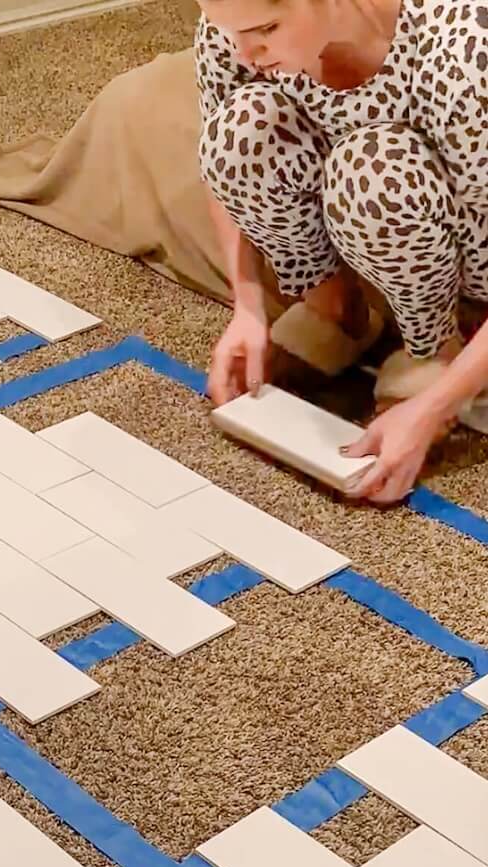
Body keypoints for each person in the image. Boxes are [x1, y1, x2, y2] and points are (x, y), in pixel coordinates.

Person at [197, 0, 488, 504]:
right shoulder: (233, 30)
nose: (245, 53)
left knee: (371, 173)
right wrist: (246, 306)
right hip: (376, 203)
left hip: (469, 224)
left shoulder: (462, 48)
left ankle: (436, 351)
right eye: (229, 31)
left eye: (267, 27)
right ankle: (335, 313)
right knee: (237, 132)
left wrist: (436, 405)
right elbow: (219, 161)